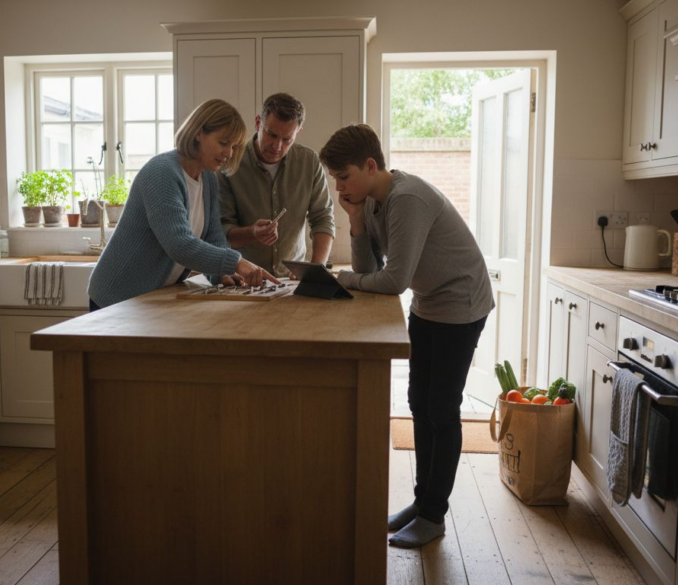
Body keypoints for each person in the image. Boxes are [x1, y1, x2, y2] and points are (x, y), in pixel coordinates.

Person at [318, 124, 494, 549]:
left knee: (441, 408)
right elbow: (370, 265)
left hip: (461, 306)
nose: (338, 186)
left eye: (343, 177)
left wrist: (345, 279)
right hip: (428, 304)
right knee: (419, 404)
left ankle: (434, 515)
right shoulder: (374, 203)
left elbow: (392, 279)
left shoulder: (407, 199)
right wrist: (356, 219)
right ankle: (421, 504)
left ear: (371, 165)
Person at [87, 99, 279, 310]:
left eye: (233, 147)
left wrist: (222, 274)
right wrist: (236, 263)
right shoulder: (161, 173)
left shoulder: (209, 180)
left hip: (148, 300)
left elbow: (213, 237)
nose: (229, 153)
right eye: (223, 143)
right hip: (116, 298)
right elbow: (178, 244)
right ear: (198, 133)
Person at [218, 93, 335, 277]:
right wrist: (252, 233)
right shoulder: (230, 163)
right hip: (244, 279)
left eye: (287, 139)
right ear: (258, 123)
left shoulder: (309, 162)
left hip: (293, 279)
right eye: (271, 134)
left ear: (298, 132)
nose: (277, 146)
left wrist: (315, 271)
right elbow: (222, 230)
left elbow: (323, 218)